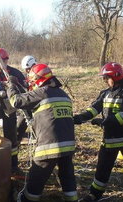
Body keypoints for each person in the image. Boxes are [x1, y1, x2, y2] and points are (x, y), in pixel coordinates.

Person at [73, 62, 123, 202]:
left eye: (106, 78)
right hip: (109, 141)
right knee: (102, 171)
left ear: (116, 77)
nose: (104, 80)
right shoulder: (105, 93)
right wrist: (79, 118)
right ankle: (93, 195)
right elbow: (94, 109)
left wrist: (104, 121)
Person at [6, 64, 78, 202]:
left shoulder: (42, 92)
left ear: (37, 80)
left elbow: (16, 101)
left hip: (48, 147)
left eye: (32, 82)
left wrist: (11, 85)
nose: (31, 85)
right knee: (67, 177)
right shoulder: (64, 95)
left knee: (36, 181)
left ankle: (26, 200)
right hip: (68, 146)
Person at [17, 56, 37, 144]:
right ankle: (16, 142)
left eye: (28, 69)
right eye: (26, 70)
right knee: (19, 127)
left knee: (38, 128)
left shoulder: (40, 74)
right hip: (28, 105)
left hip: (38, 107)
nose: (27, 72)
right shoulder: (29, 76)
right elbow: (27, 84)